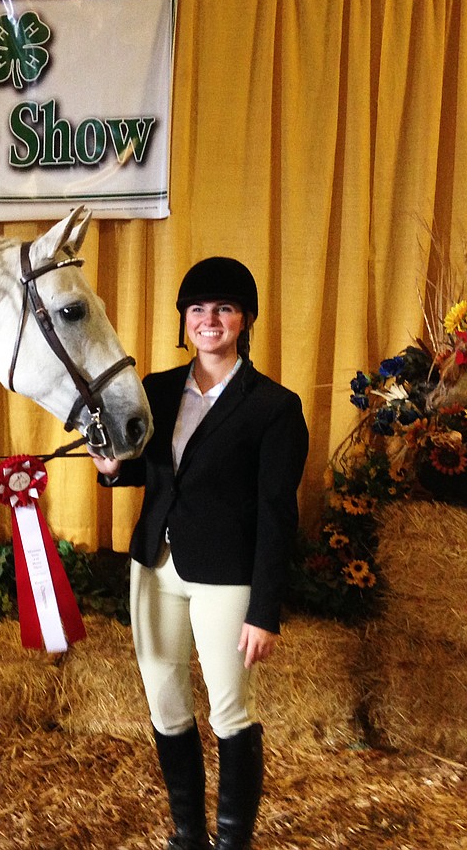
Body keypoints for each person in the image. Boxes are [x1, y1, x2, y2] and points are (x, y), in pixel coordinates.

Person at [92, 256, 309, 850]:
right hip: (154, 566)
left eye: (224, 309)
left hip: (226, 577)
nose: (209, 320)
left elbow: (276, 514)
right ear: (184, 319)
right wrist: (114, 470)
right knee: (165, 704)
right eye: (198, 309)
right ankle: (188, 835)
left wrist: (264, 609)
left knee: (229, 712)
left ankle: (232, 841)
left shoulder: (274, 407)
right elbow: (154, 473)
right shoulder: (156, 390)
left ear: (244, 320)